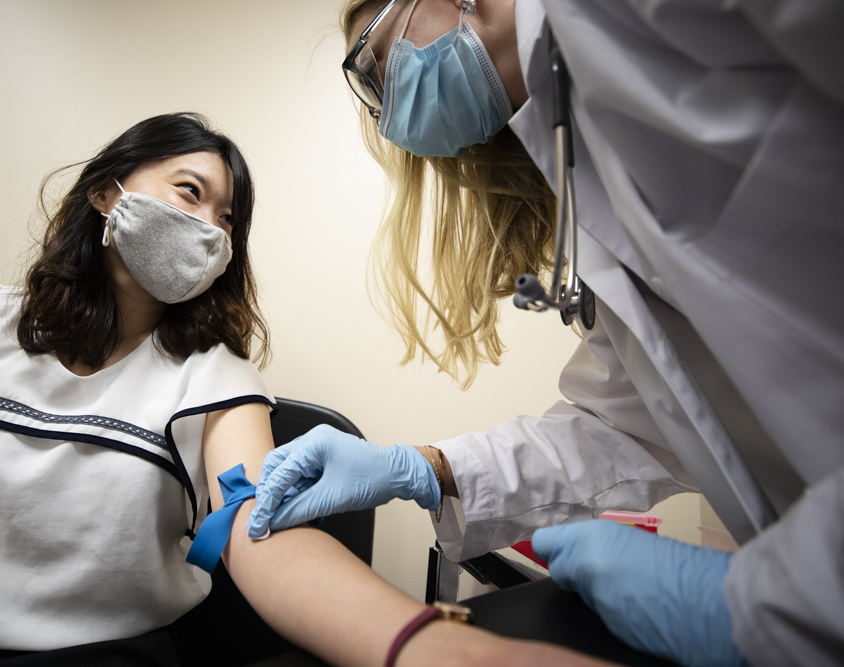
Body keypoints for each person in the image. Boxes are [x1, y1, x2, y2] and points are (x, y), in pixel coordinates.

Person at [0, 113, 610, 667]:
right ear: (108, 194)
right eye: (189, 192)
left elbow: (258, 532)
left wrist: (427, 643)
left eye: (227, 217)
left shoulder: (215, 374)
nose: (211, 227)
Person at [248, 2, 844, 666]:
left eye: (376, 64)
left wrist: (762, 601)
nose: (389, 110)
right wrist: (424, 468)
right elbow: (629, 422)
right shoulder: (576, 157)